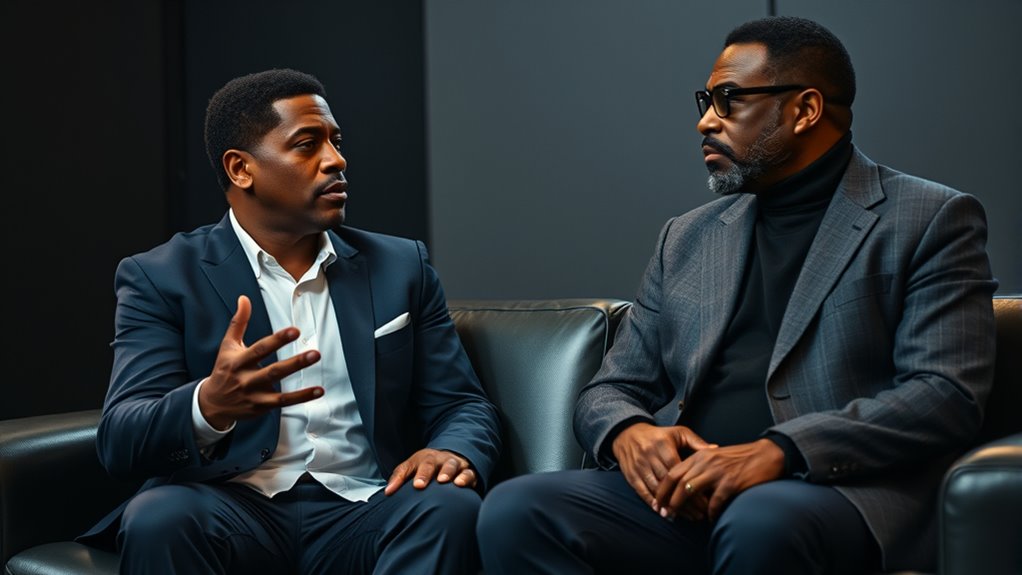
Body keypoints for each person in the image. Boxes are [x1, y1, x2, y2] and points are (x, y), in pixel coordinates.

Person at [476, 15, 997, 575]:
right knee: (518, 509)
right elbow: (613, 387)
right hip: (685, 495)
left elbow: (944, 394)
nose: (705, 121)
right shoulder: (687, 236)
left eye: (728, 100)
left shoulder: (929, 218)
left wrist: (781, 451)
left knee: (759, 523)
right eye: (706, 101)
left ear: (805, 110)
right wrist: (629, 432)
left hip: (827, 491)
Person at [77, 68, 501, 574]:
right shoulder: (161, 276)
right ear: (241, 169)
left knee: (447, 506)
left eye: (336, 142)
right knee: (159, 517)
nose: (336, 160)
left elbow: (461, 403)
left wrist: (453, 451)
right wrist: (207, 406)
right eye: (306, 145)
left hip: (367, 504)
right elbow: (121, 440)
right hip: (231, 505)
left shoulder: (400, 266)